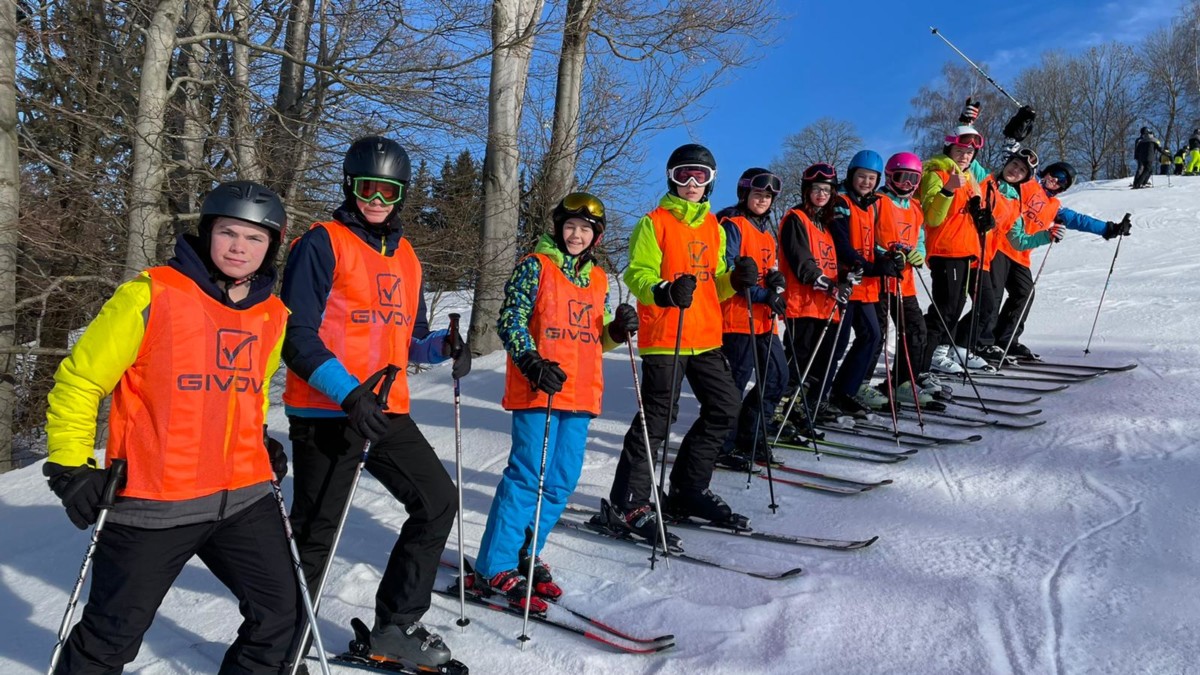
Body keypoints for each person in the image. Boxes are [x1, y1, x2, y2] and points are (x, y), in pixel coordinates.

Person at [42, 181, 298, 674]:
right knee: (111, 636)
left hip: (244, 496)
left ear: (272, 247)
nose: (239, 247)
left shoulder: (273, 314)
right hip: (155, 502)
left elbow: (247, 391)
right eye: (228, 232)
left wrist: (257, 437)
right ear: (207, 233)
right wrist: (71, 465)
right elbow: (79, 381)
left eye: (255, 238)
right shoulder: (152, 293)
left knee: (281, 616)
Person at [281, 136, 471, 669]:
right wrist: (348, 393)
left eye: (389, 190)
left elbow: (410, 339)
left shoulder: (409, 258)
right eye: (368, 187)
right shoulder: (322, 243)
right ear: (349, 185)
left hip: (386, 408)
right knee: (316, 535)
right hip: (327, 410)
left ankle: (396, 625)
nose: (377, 200)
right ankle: (280, 645)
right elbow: (295, 337)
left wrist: (442, 349)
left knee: (437, 502)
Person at [471, 192, 637, 613]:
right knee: (527, 476)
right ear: (558, 229)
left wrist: (616, 330)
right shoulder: (536, 266)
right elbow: (509, 319)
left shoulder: (598, 279)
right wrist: (530, 359)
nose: (576, 234)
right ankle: (496, 564)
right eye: (570, 227)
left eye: (585, 229)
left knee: (562, 480)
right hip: (539, 389)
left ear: (596, 236)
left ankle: (527, 551)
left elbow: (594, 340)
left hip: (580, 394)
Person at [594, 142, 756, 545]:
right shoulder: (654, 222)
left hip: (704, 336)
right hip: (666, 336)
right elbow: (638, 275)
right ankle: (629, 502)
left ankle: (688, 489)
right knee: (658, 420)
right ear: (671, 177)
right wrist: (664, 291)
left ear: (711, 182)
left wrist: (735, 281)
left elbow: (716, 284)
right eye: (683, 174)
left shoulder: (714, 228)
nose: (691, 182)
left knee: (725, 407)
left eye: (700, 176)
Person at [999, 160, 1133, 360]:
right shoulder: (1028, 183)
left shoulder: (1054, 207)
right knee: (988, 298)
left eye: (1061, 180)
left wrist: (1109, 228)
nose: (1054, 180)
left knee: (1025, 293)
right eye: (1053, 174)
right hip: (998, 248)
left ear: (1063, 187)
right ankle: (970, 341)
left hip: (1019, 254)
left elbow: (1079, 220)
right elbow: (1010, 171)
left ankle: (1005, 340)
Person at [713, 168, 789, 470]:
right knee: (736, 383)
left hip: (763, 320)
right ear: (745, 194)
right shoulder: (732, 224)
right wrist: (761, 294)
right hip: (736, 318)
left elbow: (767, 270)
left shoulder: (766, 235)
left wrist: (776, 282)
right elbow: (730, 272)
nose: (763, 200)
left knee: (777, 378)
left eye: (768, 196)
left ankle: (751, 436)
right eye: (758, 194)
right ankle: (723, 445)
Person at [826, 150, 902, 414]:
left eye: (872, 178)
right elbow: (841, 243)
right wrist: (869, 267)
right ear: (851, 175)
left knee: (873, 335)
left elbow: (874, 244)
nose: (867, 182)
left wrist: (889, 258)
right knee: (838, 341)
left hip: (866, 285)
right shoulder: (841, 203)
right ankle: (820, 394)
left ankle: (845, 390)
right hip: (848, 281)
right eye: (862, 176)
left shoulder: (870, 206)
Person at [777, 163, 851, 428]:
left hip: (826, 306)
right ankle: (776, 410)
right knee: (797, 361)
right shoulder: (795, 218)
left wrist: (844, 277)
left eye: (827, 190)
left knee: (818, 365)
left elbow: (832, 261)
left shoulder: (826, 224)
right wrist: (824, 283)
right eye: (816, 189)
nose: (821, 194)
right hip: (802, 303)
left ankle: (799, 408)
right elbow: (801, 261)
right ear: (806, 191)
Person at [873, 152, 931, 405]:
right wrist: (883, 255)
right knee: (877, 334)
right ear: (889, 176)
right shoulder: (876, 201)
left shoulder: (916, 207)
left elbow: (919, 239)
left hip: (904, 282)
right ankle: (861, 384)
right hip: (877, 281)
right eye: (901, 177)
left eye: (913, 179)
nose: (907, 184)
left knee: (916, 331)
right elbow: (864, 237)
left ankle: (902, 381)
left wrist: (918, 254)